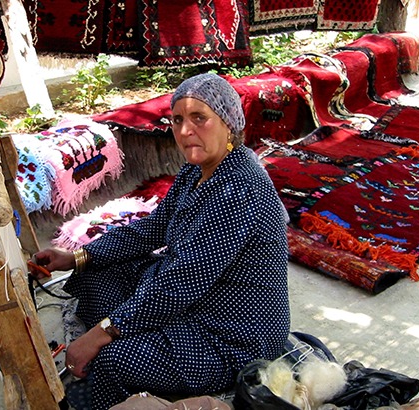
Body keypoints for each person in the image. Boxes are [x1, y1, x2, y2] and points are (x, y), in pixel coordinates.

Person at [29, 72, 290, 409]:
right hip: (194, 298)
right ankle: (137, 330)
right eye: (177, 120)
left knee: (112, 361)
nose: (184, 131)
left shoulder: (241, 191)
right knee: (93, 274)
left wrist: (102, 333)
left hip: (231, 335)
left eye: (199, 118)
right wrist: (78, 256)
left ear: (228, 122)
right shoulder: (198, 170)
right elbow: (153, 228)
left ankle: (134, 358)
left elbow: (181, 282)